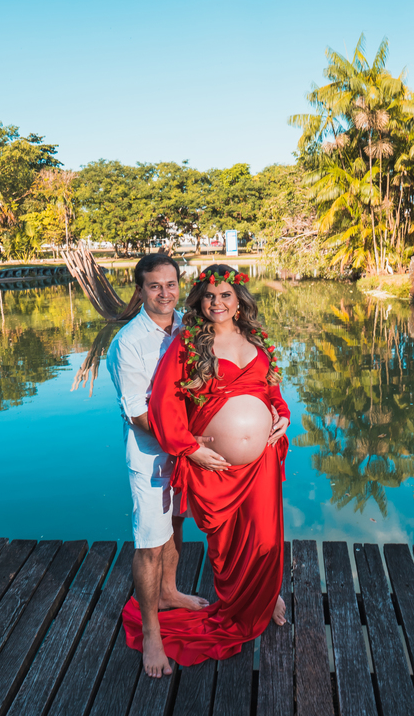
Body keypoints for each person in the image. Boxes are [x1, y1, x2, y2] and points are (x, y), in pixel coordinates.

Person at [121, 264, 290, 670]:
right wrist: (189, 449)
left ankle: (264, 595)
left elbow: (270, 389)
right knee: (230, 543)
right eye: (210, 296)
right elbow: (162, 406)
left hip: (262, 460)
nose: (217, 303)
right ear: (199, 301)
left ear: (239, 301)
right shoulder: (188, 345)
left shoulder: (256, 339)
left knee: (265, 538)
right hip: (216, 464)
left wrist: (282, 414)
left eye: (226, 295)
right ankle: (231, 604)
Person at [105, 254, 208, 679]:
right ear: (140, 290)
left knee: (177, 522)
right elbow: (136, 413)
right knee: (149, 542)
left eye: (171, 284)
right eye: (154, 286)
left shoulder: (187, 326)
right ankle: (151, 632)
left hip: (187, 449)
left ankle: (169, 591)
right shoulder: (128, 343)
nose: (164, 293)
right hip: (152, 456)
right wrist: (186, 444)